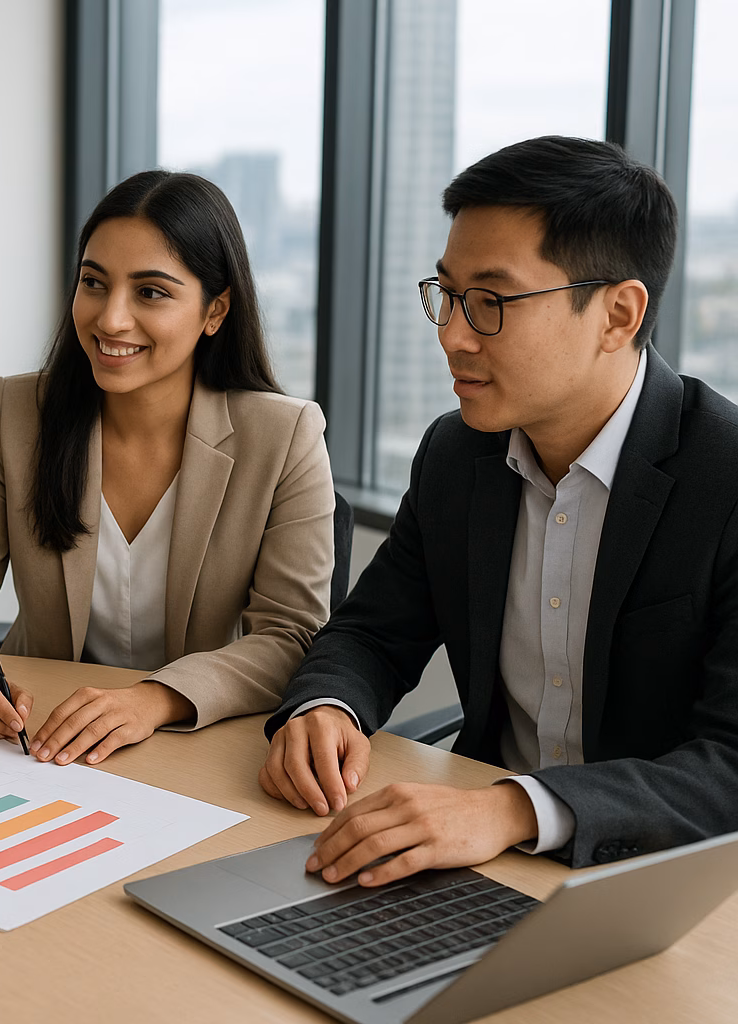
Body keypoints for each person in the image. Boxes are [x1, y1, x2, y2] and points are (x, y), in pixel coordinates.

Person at [259, 136, 738, 886]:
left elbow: (728, 765)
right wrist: (328, 707)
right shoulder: (459, 455)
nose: (451, 335)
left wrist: (515, 808)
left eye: (490, 302)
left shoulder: (726, 476)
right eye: (447, 295)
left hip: (657, 888)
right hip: (472, 868)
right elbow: (373, 633)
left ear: (617, 313)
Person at [0, 170, 336, 767]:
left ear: (215, 311)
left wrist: (150, 701)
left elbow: (291, 636)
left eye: (151, 292)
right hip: (37, 742)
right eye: (94, 283)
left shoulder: (284, 436)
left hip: (194, 746)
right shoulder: (17, 411)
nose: (111, 319)